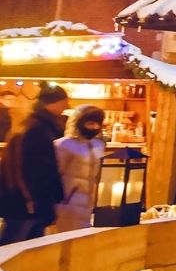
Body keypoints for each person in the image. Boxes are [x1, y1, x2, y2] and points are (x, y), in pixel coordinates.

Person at [1, 85, 69, 244]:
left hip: (25, 199)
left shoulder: (34, 126)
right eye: (64, 102)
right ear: (54, 102)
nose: (66, 106)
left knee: (22, 244)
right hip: (28, 201)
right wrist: (42, 200)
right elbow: (38, 169)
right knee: (16, 244)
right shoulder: (39, 129)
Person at [51, 105, 107, 233]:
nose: (94, 127)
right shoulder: (64, 145)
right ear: (79, 123)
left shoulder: (97, 144)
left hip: (89, 202)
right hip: (67, 202)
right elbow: (54, 175)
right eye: (90, 123)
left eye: (97, 124)